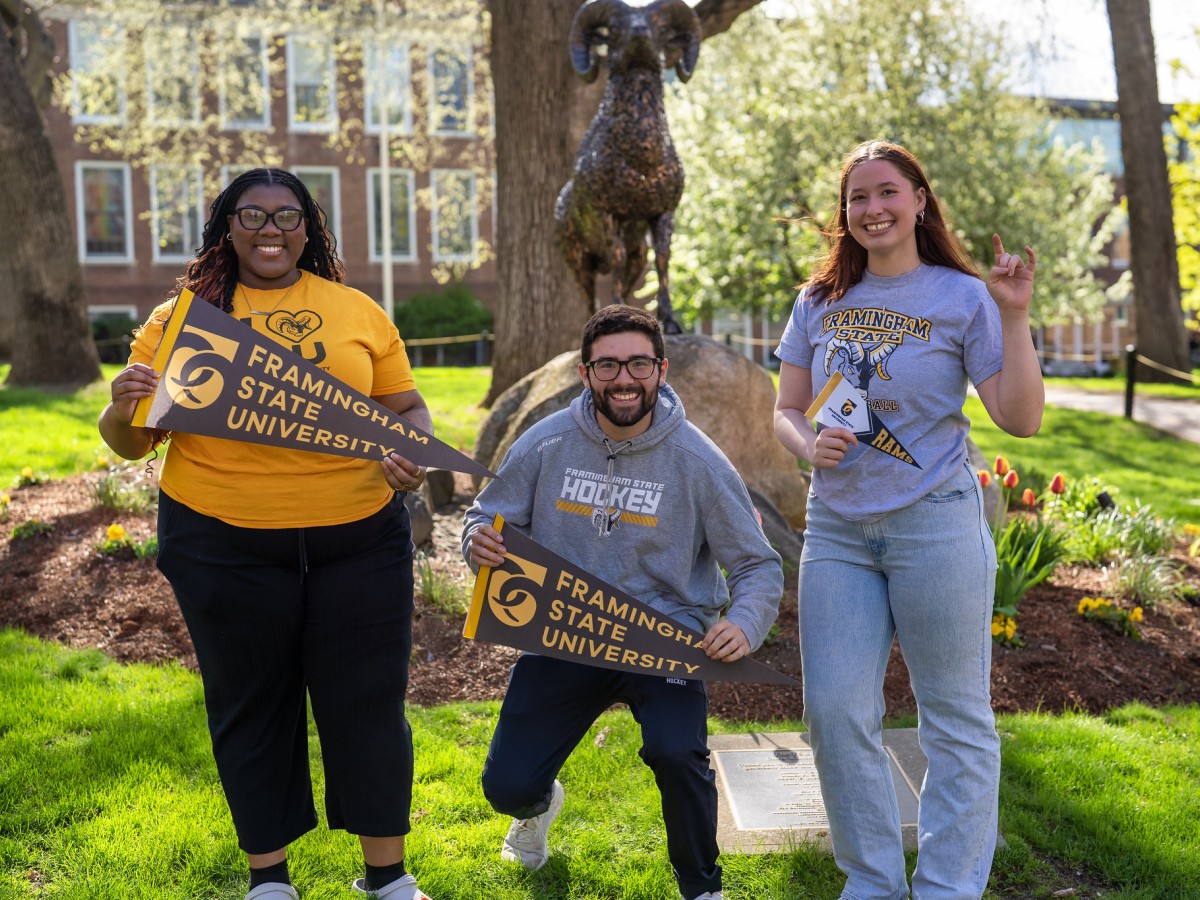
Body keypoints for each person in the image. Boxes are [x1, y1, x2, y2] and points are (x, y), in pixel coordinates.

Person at [98, 168, 434, 900]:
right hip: (221, 541)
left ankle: (388, 877)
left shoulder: (357, 311)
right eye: (252, 215)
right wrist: (124, 408)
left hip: (359, 541)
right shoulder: (183, 317)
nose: (270, 230)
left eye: (287, 217)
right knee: (250, 700)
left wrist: (412, 451)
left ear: (309, 230)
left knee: (368, 702)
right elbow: (130, 444)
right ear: (227, 226)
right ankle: (270, 880)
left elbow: (407, 407)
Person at [772, 140, 1043, 900]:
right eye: (858, 198)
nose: (873, 209)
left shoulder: (964, 298)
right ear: (845, 213)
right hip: (837, 530)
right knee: (833, 713)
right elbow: (787, 408)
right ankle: (873, 881)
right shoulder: (818, 301)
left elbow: (1019, 419)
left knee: (954, 717)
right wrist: (806, 443)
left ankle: (949, 887)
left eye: (887, 192)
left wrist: (1014, 316)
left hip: (937, 523)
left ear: (920, 200)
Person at [462, 304, 784, 900]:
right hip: (566, 629)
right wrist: (476, 539)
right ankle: (536, 807)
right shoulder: (548, 441)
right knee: (506, 785)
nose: (623, 378)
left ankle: (702, 888)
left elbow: (758, 563)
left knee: (676, 751)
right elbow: (487, 513)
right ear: (585, 375)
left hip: (666, 637)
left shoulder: (699, 461)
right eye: (607, 365)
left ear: (661, 371)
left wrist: (744, 622)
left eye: (638, 363)